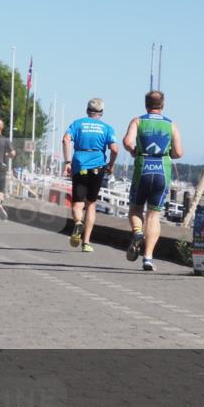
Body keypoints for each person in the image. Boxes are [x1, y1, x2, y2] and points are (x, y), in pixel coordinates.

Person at [122, 90, 183, 271]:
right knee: (154, 215)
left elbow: (127, 141)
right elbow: (179, 153)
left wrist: (133, 150)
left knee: (135, 208)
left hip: (143, 167)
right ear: (162, 105)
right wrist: (167, 153)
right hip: (162, 169)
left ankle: (138, 233)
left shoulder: (138, 121)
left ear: (146, 104)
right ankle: (148, 258)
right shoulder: (171, 124)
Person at [63, 98, 118, 252]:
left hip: (79, 164)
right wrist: (110, 165)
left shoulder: (77, 124)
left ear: (87, 110)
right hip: (97, 166)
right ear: (101, 113)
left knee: (78, 203)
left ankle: (78, 222)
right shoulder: (107, 128)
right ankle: (86, 243)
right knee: (91, 203)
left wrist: (67, 162)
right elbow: (114, 149)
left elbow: (65, 139)